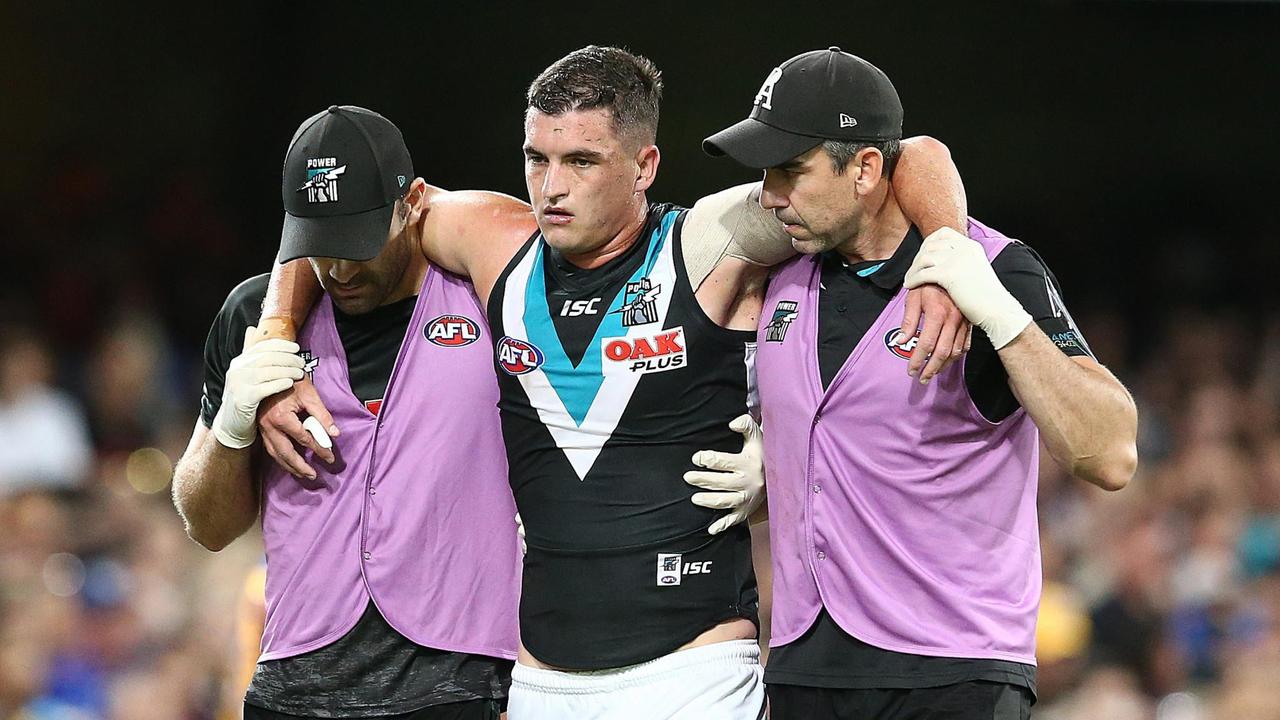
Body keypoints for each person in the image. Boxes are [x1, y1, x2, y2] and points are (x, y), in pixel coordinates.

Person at [256, 47, 971, 719]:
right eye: (537, 158)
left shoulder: (706, 245)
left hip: (695, 675)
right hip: (539, 682)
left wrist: (947, 261)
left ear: (643, 164)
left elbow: (911, 157)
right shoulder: (493, 241)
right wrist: (279, 347)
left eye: (582, 160)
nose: (552, 185)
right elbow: (333, 217)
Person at [704, 48, 1139, 719]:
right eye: (765, 170)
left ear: (867, 169)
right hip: (804, 668)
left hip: (952, 671)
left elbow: (1110, 453)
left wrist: (999, 313)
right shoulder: (783, 270)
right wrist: (777, 464)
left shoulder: (994, 268)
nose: (769, 194)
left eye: (792, 169)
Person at [171, 106, 523, 720]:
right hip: (292, 689)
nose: (338, 269)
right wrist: (231, 423)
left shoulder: (488, 297)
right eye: (320, 245)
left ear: (413, 202)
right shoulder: (254, 316)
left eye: (358, 242)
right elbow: (208, 526)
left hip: (460, 682)